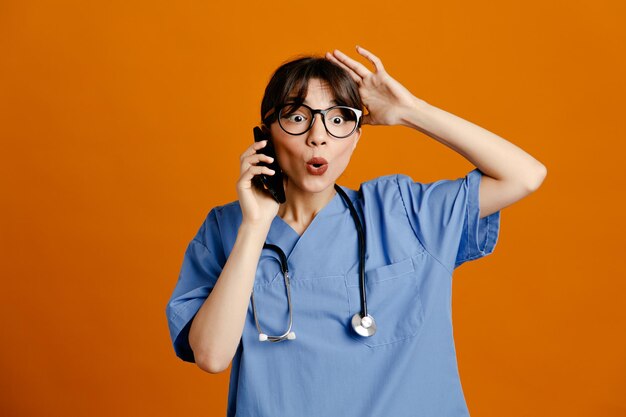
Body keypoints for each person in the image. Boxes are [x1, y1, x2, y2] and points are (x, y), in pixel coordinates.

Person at [166, 46, 547, 417]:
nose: (318, 136)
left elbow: (525, 175)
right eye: (297, 118)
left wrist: (410, 112)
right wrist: (254, 226)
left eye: (338, 118)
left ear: (357, 135)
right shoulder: (227, 228)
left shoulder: (402, 211)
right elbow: (212, 357)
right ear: (264, 134)